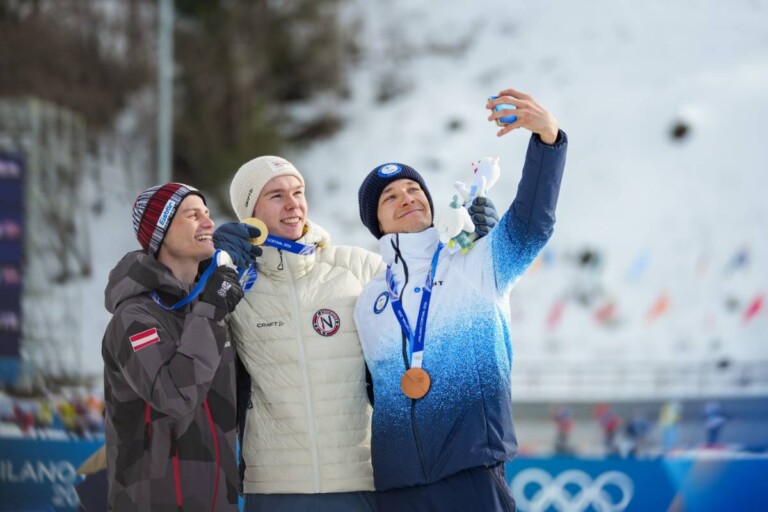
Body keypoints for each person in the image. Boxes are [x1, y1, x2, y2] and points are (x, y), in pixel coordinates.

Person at [212, 156, 499, 511]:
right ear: (249, 214)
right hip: (275, 483)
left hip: (358, 477)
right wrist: (207, 267)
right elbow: (191, 330)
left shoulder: (357, 266)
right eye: (276, 196)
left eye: (298, 192)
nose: (293, 204)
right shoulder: (235, 283)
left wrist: (473, 244)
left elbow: (429, 290)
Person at [353, 88, 567, 511]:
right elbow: (375, 388)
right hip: (398, 483)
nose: (406, 197)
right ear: (375, 221)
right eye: (390, 197)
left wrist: (547, 141)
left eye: (413, 189)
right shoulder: (369, 301)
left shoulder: (475, 261)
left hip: (473, 468)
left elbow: (532, 224)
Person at [102, 183, 249, 511]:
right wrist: (213, 306)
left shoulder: (206, 306)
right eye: (193, 216)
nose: (209, 222)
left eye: (207, 214)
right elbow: (175, 395)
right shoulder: (134, 317)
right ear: (161, 233)